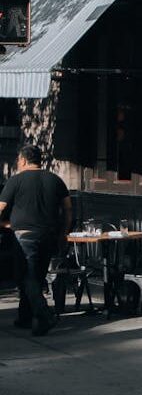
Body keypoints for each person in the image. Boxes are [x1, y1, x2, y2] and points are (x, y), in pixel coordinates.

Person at [0, 144, 72, 336]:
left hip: (24, 236)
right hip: (49, 235)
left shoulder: (15, 181)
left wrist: (6, 224)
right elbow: (68, 209)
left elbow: (0, 207)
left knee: (25, 277)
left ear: (23, 160)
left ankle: (44, 314)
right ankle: (27, 318)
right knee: (36, 277)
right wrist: (63, 233)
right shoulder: (56, 180)